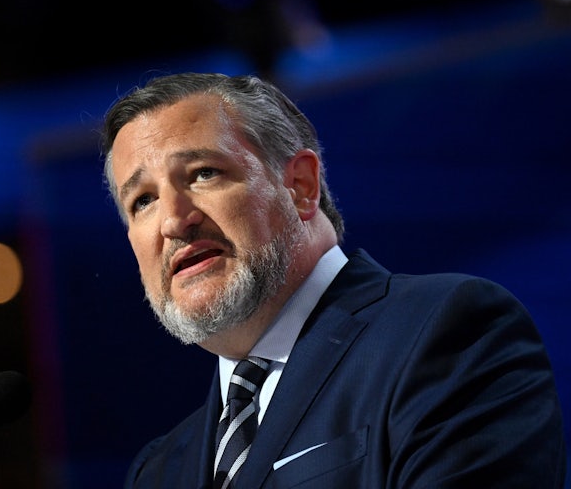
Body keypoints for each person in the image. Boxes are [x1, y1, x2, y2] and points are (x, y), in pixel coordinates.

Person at [99, 72, 567, 488]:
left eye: (203, 173)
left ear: (300, 186)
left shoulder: (447, 333)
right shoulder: (160, 470)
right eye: (142, 201)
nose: (173, 221)